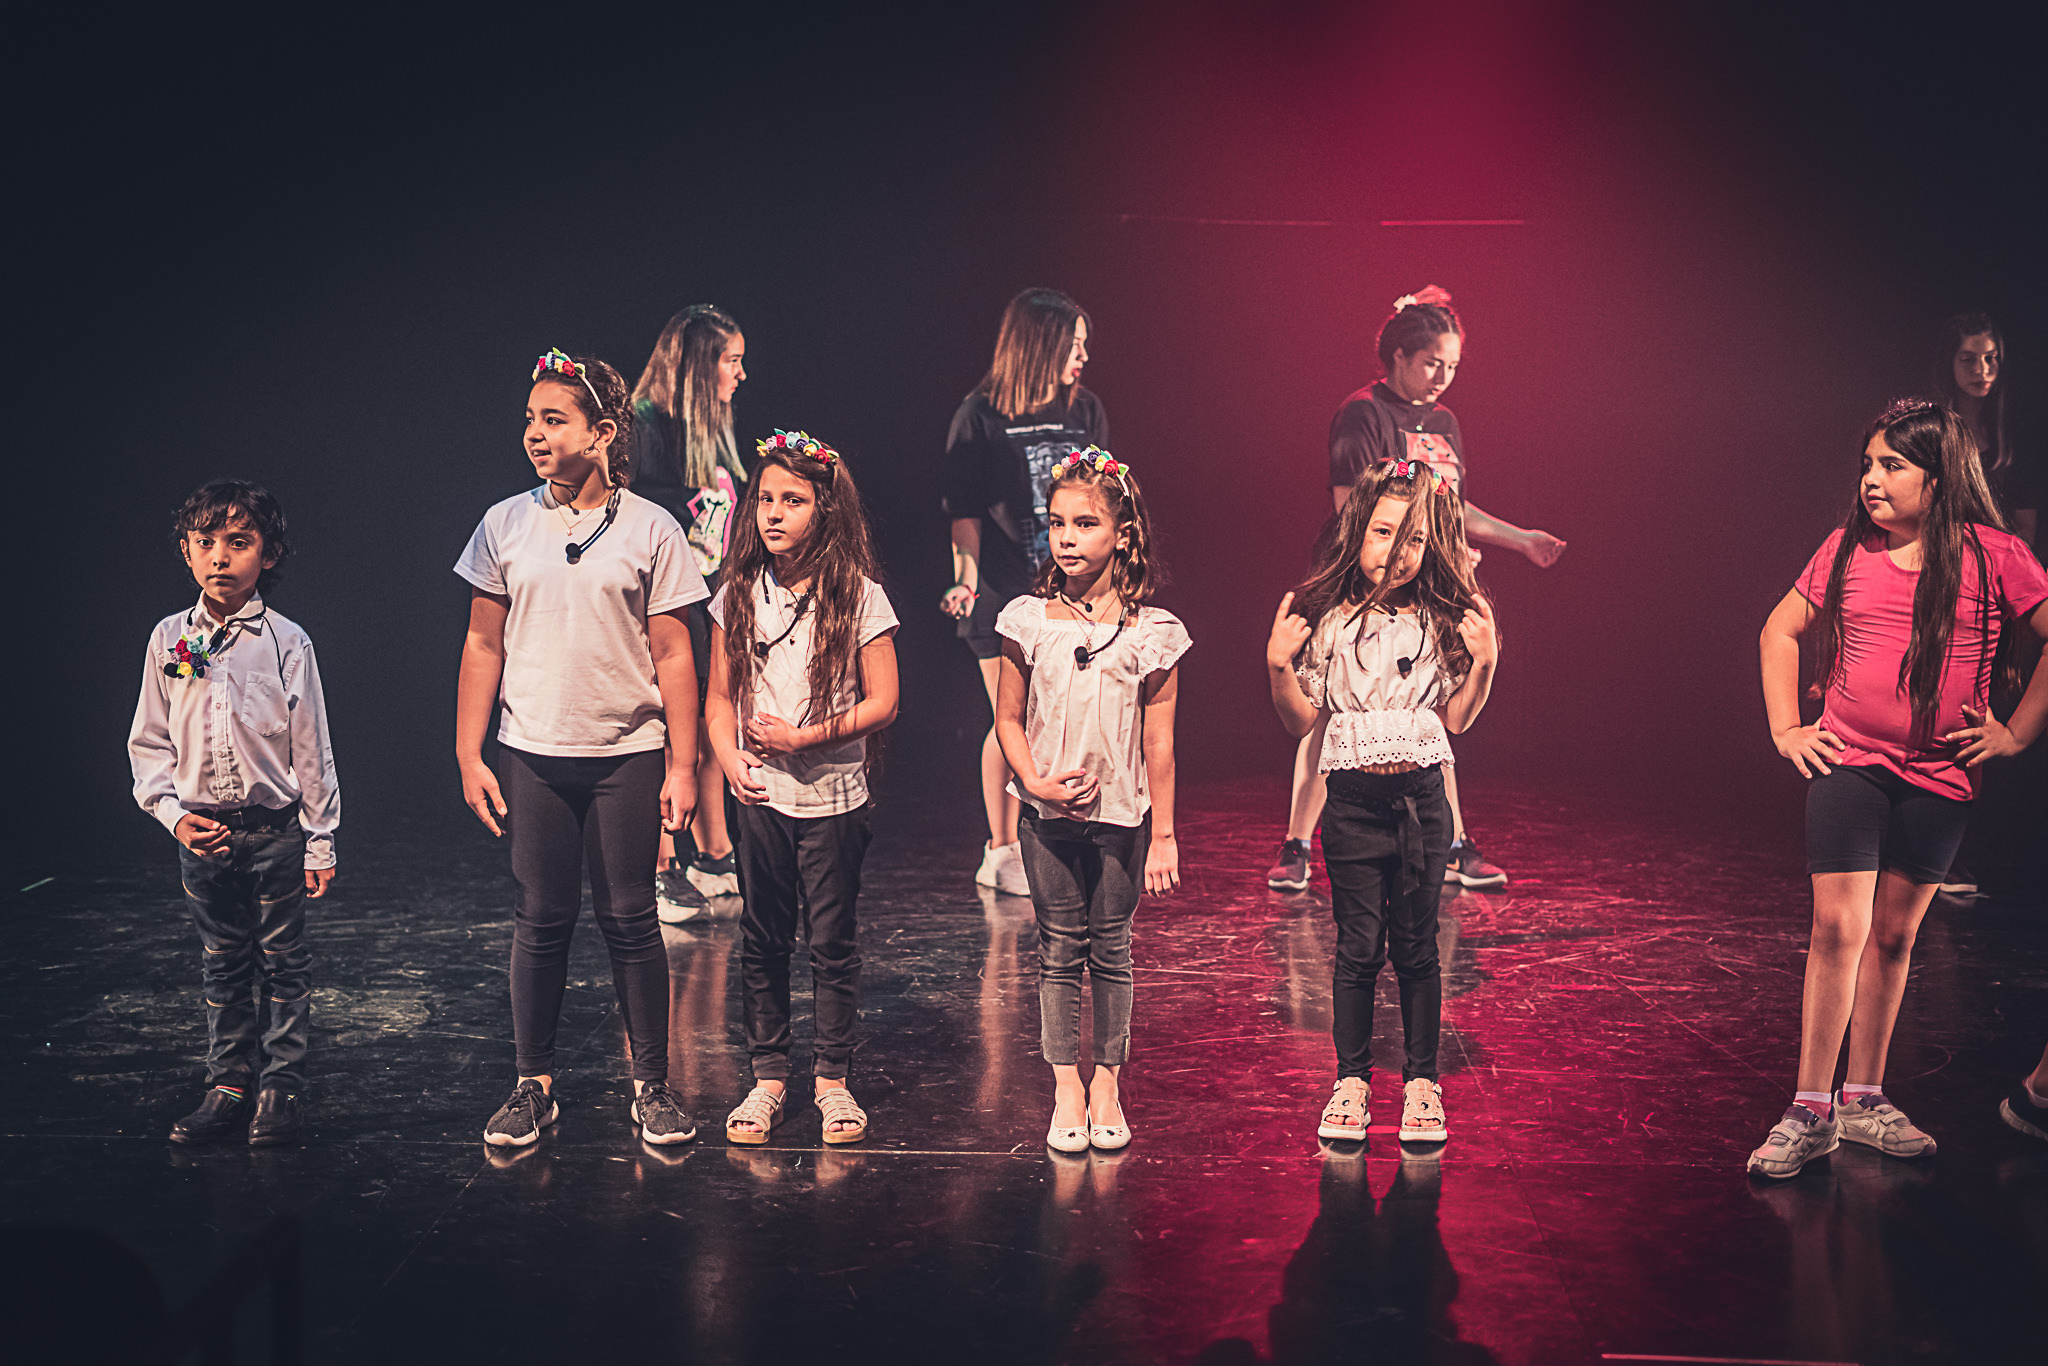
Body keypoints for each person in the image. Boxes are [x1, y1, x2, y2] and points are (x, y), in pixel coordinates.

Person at [1748, 400, 2048, 1180]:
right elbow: (1779, 630)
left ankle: (1863, 1098)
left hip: (1940, 775)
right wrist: (1787, 729)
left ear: (1938, 479)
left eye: (1892, 466)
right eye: (1868, 464)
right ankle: (1809, 1108)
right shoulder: (1847, 549)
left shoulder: (1994, 555)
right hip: (1849, 763)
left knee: (1893, 937)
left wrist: (2016, 733)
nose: (1871, 480)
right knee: (1838, 929)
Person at [456, 348, 705, 1149]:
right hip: (533, 752)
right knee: (540, 917)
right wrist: (469, 754)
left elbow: (674, 653)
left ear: (602, 434)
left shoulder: (652, 528)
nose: (535, 433)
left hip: (626, 752)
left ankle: (652, 1085)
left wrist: (683, 765)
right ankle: (533, 1085)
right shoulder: (504, 523)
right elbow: (482, 645)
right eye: (530, 419)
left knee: (631, 917)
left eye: (554, 420)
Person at [1266, 287, 1561, 895]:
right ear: (1398, 356)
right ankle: (1297, 842)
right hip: (1360, 580)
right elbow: (1353, 509)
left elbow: (1450, 508)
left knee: (1425, 707)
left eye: (1452, 366)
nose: (1442, 378)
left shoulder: (1445, 422)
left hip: (1421, 579)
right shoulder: (1362, 413)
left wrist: (1518, 540)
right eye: (1431, 363)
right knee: (1333, 711)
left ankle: (1452, 842)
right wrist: (1403, 553)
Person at [1266, 458, 1499, 1144]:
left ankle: (1422, 1083)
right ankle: (1352, 1080)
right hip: (1352, 805)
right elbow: (1299, 721)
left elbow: (1459, 719)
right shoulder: (1329, 620)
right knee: (1358, 949)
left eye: (1414, 538)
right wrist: (1278, 666)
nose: (1397, 552)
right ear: (1357, 531)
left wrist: (1486, 662)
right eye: (1384, 532)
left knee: (1418, 948)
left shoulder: (1439, 619)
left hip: (1421, 801)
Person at [128, 480, 339, 1147]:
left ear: (268, 554)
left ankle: (281, 1087)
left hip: (274, 835)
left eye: (239, 542)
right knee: (222, 962)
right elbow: (151, 741)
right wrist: (173, 816)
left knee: (283, 962)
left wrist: (320, 840)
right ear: (186, 552)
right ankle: (228, 1084)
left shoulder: (286, 641)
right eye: (206, 542)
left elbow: (311, 748)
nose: (220, 556)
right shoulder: (173, 640)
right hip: (204, 838)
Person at [706, 430, 899, 1146]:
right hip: (762, 796)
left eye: (793, 500)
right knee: (762, 935)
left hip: (833, 797)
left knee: (830, 939)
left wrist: (803, 738)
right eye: (765, 499)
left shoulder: (859, 596)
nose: (774, 513)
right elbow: (718, 697)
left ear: (826, 509)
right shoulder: (739, 594)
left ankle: (832, 1080)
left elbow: (884, 701)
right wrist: (728, 756)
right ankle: (767, 1078)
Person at [992, 448, 1187, 1152]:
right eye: (1057, 523)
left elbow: (1159, 741)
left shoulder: (1152, 631)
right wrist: (1034, 783)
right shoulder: (1028, 620)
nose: (1067, 538)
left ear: (1122, 534)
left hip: (1121, 820)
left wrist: (1163, 834)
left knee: (1111, 949)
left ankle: (1106, 1080)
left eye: (1085, 524)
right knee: (1058, 950)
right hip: (1047, 817)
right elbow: (1007, 719)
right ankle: (1065, 1087)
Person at [941, 288, 1108, 897]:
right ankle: (1000, 848)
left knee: (1058, 716)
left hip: (1070, 591)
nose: (1083, 356)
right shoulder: (980, 415)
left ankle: (1061, 831)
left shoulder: (1084, 409)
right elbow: (964, 512)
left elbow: (1104, 500)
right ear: (1042, 344)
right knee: (1011, 716)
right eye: (1074, 344)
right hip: (1003, 591)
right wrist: (964, 580)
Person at [628, 304, 750, 919]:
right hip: (657, 609)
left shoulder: (711, 430)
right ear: (701, 364)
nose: (740, 374)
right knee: (665, 733)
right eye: (732, 360)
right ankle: (658, 866)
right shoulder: (643, 425)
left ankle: (715, 855)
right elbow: (625, 511)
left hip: (707, 602)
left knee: (707, 726)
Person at [1934, 311, 2034, 546]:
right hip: (1943, 554)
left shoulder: (2014, 433)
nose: (1981, 369)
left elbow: (2026, 529)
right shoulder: (1933, 430)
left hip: (2004, 557)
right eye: (1968, 359)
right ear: (1949, 362)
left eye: (1991, 358)